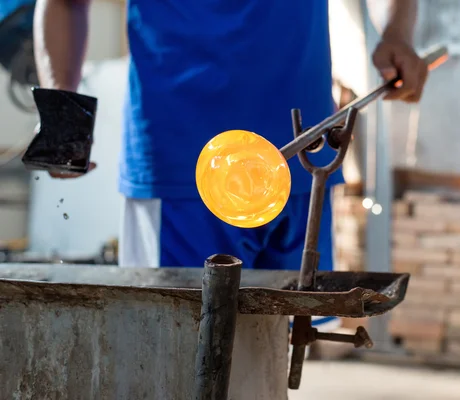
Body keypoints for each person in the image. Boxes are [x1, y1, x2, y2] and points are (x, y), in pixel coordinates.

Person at [33, 0, 428, 332]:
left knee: (273, 351)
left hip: (303, 157)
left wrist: (397, 33)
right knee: (174, 344)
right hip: (185, 166)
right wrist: (61, 117)